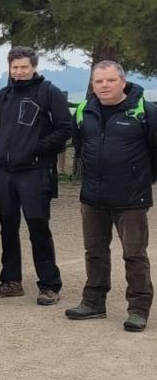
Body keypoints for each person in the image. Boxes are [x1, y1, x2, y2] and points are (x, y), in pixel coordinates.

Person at [66, 61, 157, 332]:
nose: (104, 86)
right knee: (94, 251)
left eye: (110, 81)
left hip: (131, 198)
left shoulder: (145, 111)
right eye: (98, 81)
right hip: (93, 196)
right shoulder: (84, 110)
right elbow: (80, 146)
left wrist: (141, 180)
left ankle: (138, 309)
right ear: (93, 85)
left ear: (122, 82)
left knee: (134, 254)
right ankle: (93, 302)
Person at [0, 46, 73, 304]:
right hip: (5, 172)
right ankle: (11, 281)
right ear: (9, 68)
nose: (19, 72)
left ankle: (49, 285)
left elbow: (65, 128)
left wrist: (36, 149)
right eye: (15, 67)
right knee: (7, 227)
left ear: (34, 67)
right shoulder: (4, 95)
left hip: (35, 171)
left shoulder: (48, 93)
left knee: (38, 227)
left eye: (24, 67)